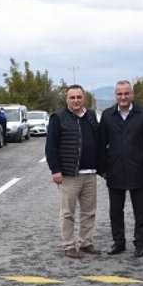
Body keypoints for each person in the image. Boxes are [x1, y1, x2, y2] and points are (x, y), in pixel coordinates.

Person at [45, 85, 103, 258]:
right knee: (68, 212)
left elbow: (98, 141)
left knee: (89, 211)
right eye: (72, 97)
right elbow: (50, 147)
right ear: (67, 99)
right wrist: (55, 170)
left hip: (90, 173)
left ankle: (86, 243)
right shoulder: (58, 118)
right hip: (69, 174)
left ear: (84, 98)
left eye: (79, 97)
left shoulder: (91, 115)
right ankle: (69, 245)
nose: (76, 100)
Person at [99, 80, 143, 257]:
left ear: (132, 94)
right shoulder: (107, 115)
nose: (123, 97)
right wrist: (104, 170)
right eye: (119, 94)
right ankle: (118, 243)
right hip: (114, 172)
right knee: (115, 211)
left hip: (139, 170)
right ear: (115, 95)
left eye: (126, 93)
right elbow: (101, 145)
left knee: (141, 211)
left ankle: (140, 243)